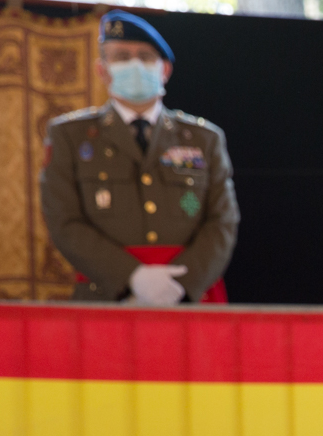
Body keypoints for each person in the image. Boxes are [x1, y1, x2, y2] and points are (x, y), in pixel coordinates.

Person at [41, 10, 238, 305]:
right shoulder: (69, 136)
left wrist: (182, 285)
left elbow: (222, 221)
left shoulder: (204, 139)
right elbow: (64, 221)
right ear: (102, 69)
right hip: (107, 297)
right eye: (121, 57)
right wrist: (131, 277)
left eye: (146, 57)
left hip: (190, 300)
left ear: (165, 69)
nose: (135, 65)